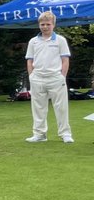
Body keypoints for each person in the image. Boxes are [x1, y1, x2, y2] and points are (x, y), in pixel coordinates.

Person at [25, 10, 72, 143]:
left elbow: (65, 60)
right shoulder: (33, 41)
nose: (45, 27)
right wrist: (31, 76)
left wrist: (62, 76)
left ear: (53, 25)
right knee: (38, 108)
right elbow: (29, 60)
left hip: (55, 78)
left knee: (61, 107)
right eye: (42, 24)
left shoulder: (60, 40)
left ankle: (65, 134)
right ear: (39, 25)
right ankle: (39, 134)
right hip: (37, 78)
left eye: (48, 24)